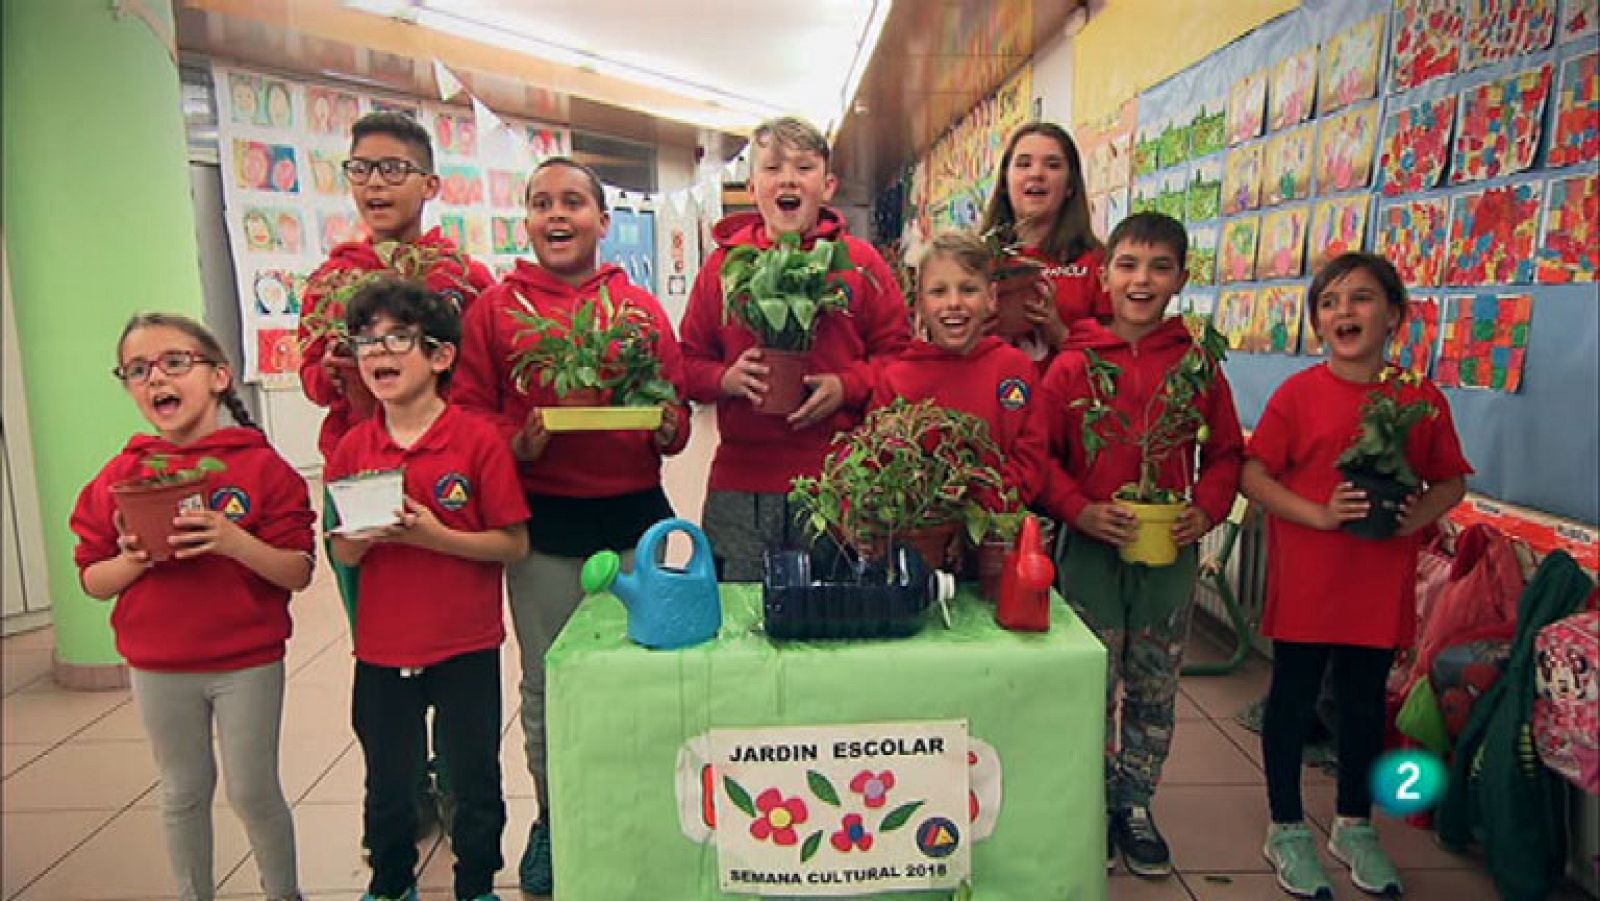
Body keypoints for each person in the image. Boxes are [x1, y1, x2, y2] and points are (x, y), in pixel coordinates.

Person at [453, 156, 691, 895]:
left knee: (648, 675)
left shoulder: (641, 309)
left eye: (573, 203)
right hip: (543, 524)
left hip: (635, 519)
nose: (557, 216)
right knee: (549, 682)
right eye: (541, 204)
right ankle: (557, 819)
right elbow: (467, 410)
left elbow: (675, 415)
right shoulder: (495, 309)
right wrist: (513, 441)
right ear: (526, 221)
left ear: (602, 220)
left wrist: (666, 427)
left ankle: (649, 804)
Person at [1243, 252, 1470, 899]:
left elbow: (1449, 478)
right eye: (1331, 301)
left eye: (1362, 298)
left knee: (1364, 705)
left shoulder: (1417, 399)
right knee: (1291, 699)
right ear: (1317, 320)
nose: (1345, 311)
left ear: (1394, 315)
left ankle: (1354, 824)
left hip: (1378, 580)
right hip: (1311, 582)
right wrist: (1317, 511)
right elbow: (1255, 475)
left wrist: (1413, 518)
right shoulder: (1299, 394)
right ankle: (1285, 824)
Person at [71, 313, 315, 901]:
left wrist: (233, 540)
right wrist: (132, 560)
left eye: (175, 362)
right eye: (138, 370)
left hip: (245, 661)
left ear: (219, 377)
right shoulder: (122, 477)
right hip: (158, 664)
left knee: (253, 790)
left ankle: (285, 893)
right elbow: (93, 579)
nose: (156, 378)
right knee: (181, 790)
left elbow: (297, 571)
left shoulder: (263, 469)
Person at [298, 110, 495, 833]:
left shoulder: (463, 278)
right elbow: (315, 384)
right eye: (361, 169)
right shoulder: (331, 280)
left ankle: (454, 774)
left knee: (457, 639)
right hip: (360, 475)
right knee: (380, 646)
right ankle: (400, 782)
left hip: (450, 472)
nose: (375, 183)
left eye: (392, 168)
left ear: (430, 182)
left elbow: (479, 377)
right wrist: (331, 368)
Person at [1037, 211, 1243, 878]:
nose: (1141, 279)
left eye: (1159, 267)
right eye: (1128, 264)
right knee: (1089, 685)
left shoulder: (1197, 364)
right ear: (1104, 274)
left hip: (1167, 559)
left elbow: (1226, 453)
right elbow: (1040, 457)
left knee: (1154, 685)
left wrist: (1205, 510)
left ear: (1182, 278)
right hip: (1090, 552)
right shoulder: (1074, 365)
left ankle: (1135, 804)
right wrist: (1079, 510)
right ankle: (1091, 806)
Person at [326, 280, 529, 901]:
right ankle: (390, 884)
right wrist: (364, 536)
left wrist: (437, 537)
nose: (377, 353)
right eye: (366, 341)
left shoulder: (476, 441)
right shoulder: (354, 449)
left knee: (473, 775)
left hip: (465, 643)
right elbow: (341, 551)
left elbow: (512, 544)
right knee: (389, 780)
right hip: (383, 648)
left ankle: (476, 884)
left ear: (440, 357)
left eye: (397, 339)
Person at [680, 115, 910, 580]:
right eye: (772, 168)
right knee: (739, 624)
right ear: (752, 186)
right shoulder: (722, 269)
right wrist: (724, 379)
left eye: (803, 168)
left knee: (835, 627)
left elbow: (902, 362)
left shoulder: (860, 263)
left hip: (841, 481)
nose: (787, 178)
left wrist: (848, 386)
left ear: (827, 186)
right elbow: (684, 363)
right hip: (740, 485)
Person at [872, 230, 1047, 503]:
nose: (953, 303)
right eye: (938, 291)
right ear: (919, 302)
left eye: (968, 289)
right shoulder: (896, 380)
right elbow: (877, 465)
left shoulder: (1016, 370)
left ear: (991, 297)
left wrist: (974, 509)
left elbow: (1032, 462)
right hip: (921, 534)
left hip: (999, 535)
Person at [979, 122, 1110, 370]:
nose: (1036, 173)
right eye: (1024, 163)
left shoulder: (1097, 263)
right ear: (1005, 182)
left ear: (1070, 185)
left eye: (1052, 165)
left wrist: (1059, 333)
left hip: (1067, 405)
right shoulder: (976, 260)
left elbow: (1112, 364)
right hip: (990, 405)